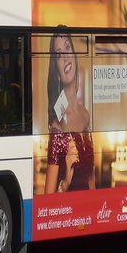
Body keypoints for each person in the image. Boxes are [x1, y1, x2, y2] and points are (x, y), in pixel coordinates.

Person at [43, 29, 94, 194]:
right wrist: (65, 182)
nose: (65, 57)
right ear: (56, 72)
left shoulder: (85, 114)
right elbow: (48, 197)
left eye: (68, 48)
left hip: (90, 211)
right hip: (69, 213)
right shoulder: (57, 127)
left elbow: (91, 180)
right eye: (58, 55)